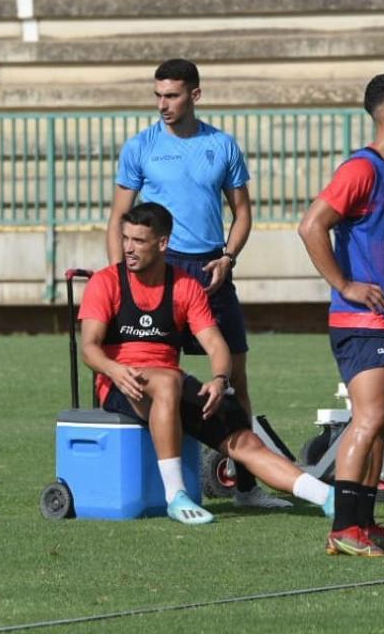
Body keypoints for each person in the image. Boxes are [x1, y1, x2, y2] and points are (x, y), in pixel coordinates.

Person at [105, 59, 287, 509]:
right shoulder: (140, 147)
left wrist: (228, 257)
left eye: (171, 95)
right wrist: (122, 279)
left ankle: (246, 488)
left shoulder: (222, 145)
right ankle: (156, 481)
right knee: (150, 373)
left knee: (235, 381)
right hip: (159, 273)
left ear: (195, 95)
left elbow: (242, 213)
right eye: (157, 95)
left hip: (210, 270)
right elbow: (117, 218)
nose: (162, 104)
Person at [80, 202, 334, 525]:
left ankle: (326, 497)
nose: (128, 248)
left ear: (162, 243)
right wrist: (115, 370)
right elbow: (89, 349)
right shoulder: (106, 282)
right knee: (169, 382)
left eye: (138, 241)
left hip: (168, 387)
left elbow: (217, 345)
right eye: (125, 238)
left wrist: (218, 380)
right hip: (120, 385)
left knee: (245, 441)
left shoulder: (185, 286)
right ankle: (176, 496)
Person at [297, 73, 384, 557]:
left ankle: (367, 524)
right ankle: (342, 528)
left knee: (381, 426)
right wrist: (346, 285)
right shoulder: (362, 169)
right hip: (362, 322)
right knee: (368, 419)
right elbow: (312, 225)